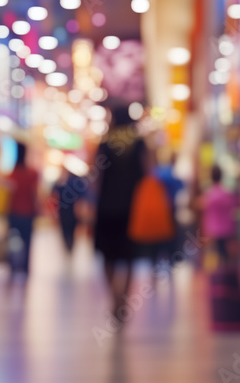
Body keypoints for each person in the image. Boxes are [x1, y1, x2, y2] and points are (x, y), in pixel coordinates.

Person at [93, 105, 148, 324]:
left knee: (107, 257)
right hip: (132, 210)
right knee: (129, 257)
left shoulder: (105, 144)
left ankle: (114, 298)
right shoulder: (140, 144)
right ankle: (123, 299)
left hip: (106, 208)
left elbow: (96, 177)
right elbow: (148, 173)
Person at [6, 142, 38, 279]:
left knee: (13, 240)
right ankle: (25, 267)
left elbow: (7, 196)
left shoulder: (12, 174)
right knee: (27, 241)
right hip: (28, 212)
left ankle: (13, 265)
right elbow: (35, 194)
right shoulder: (32, 174)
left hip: (14, 212)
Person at [196, 165, 239, 266]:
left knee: (214, 258)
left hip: (213, 231)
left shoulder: (209, 194)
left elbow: (198, 205)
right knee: (227, 257)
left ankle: (218, 278)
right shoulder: (227, 193)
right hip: (228, 229)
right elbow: (236, 206)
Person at [52, 165, 88, 255]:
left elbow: (54, 191)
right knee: (68, 230)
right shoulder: (66, 180)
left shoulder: (71, 181)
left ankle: (69, 247)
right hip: (67, 210)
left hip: (69, 210)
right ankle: (69, 247)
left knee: (68, 230)